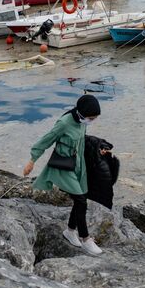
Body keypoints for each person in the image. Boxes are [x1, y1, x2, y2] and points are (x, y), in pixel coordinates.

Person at [23, 95, 103, 255]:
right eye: (91, 118)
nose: (92, 121)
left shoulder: (82, 122)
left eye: (94, 118)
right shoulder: (64, 123)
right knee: (80, 200)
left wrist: (97, 151)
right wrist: (32, 160)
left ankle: (70, 231)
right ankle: (85, 239)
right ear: (82, 113)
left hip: (77, 165)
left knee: (81, 198)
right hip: (63, 167)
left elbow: (81, 141)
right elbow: (46, 139)